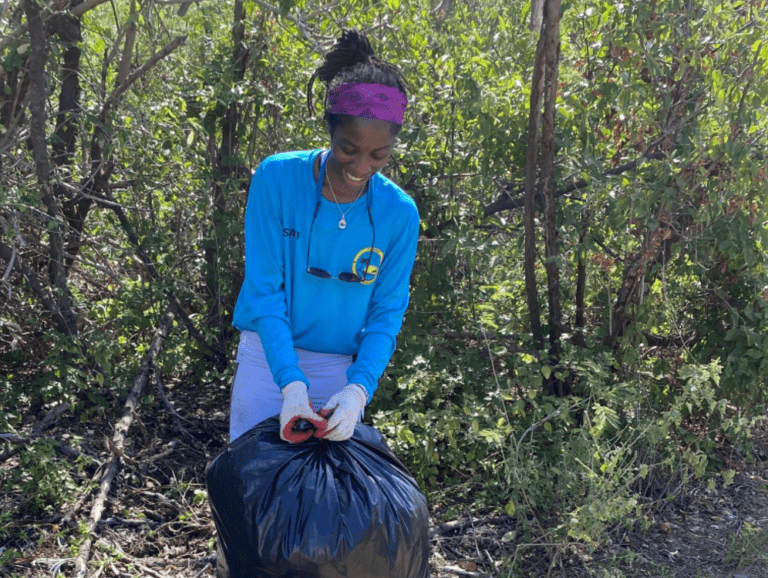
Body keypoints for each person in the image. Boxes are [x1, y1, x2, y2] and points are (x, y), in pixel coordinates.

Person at [229, 29, 419, 444]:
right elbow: (264, 290)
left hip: (339, 368)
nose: (361, 166)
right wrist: (290, 384)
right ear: (329, 128)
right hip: (267, 355)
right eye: (348, 148)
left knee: (325, 500)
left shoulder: (399, 214)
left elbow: (386, 312)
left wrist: (357, 391)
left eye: (379, 155)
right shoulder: (277, 179)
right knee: (251, 486)